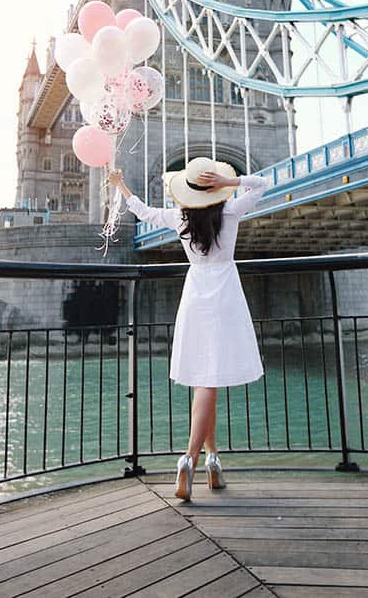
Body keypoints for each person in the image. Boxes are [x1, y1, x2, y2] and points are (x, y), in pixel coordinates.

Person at [109, 156, 268, 501]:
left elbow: (142, 210)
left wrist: (120, 184)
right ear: (212, 188)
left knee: (204, 379)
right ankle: (190, 458)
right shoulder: (230, 212)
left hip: (196, 296)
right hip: (225, 296)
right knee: (209, 380)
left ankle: (213, 461)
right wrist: (228, 184)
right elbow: (263, 184)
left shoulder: (178, 217)